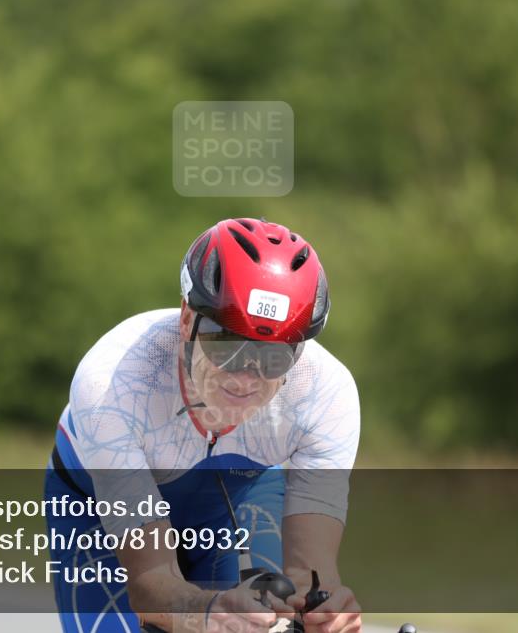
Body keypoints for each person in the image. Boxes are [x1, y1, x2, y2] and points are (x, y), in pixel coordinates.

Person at [45, 218, 361, 633]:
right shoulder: (113, 383)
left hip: (235, 495)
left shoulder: (325, 393)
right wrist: (207, 612)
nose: (246, 376)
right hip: (92, 500)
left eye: (273, 357)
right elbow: (151, 585)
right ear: (185, 319)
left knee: (266, 619)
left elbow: (310, 578)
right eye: (227, 345)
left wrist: (324, 611)